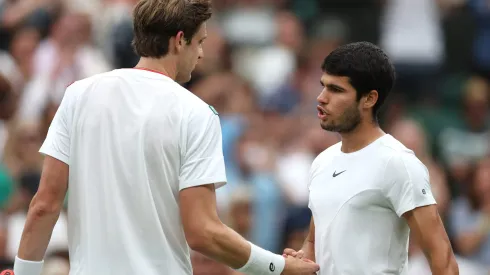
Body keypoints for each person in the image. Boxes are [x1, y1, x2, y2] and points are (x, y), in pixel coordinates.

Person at [11, 1, 320, 275]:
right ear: (180, 40)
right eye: (199, 42)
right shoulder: (196, 114)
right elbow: (203, 232)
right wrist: (278, 267)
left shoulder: (78, 94)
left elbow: (44, 205)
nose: (200, 54)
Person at [282, 42, 459, 275]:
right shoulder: (321, 162)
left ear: (369, 99)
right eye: (323, 86)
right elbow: (314, 244)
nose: (321, 98)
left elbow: (443, 261)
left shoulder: (398, 163)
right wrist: (301, 260)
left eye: (336, 90)